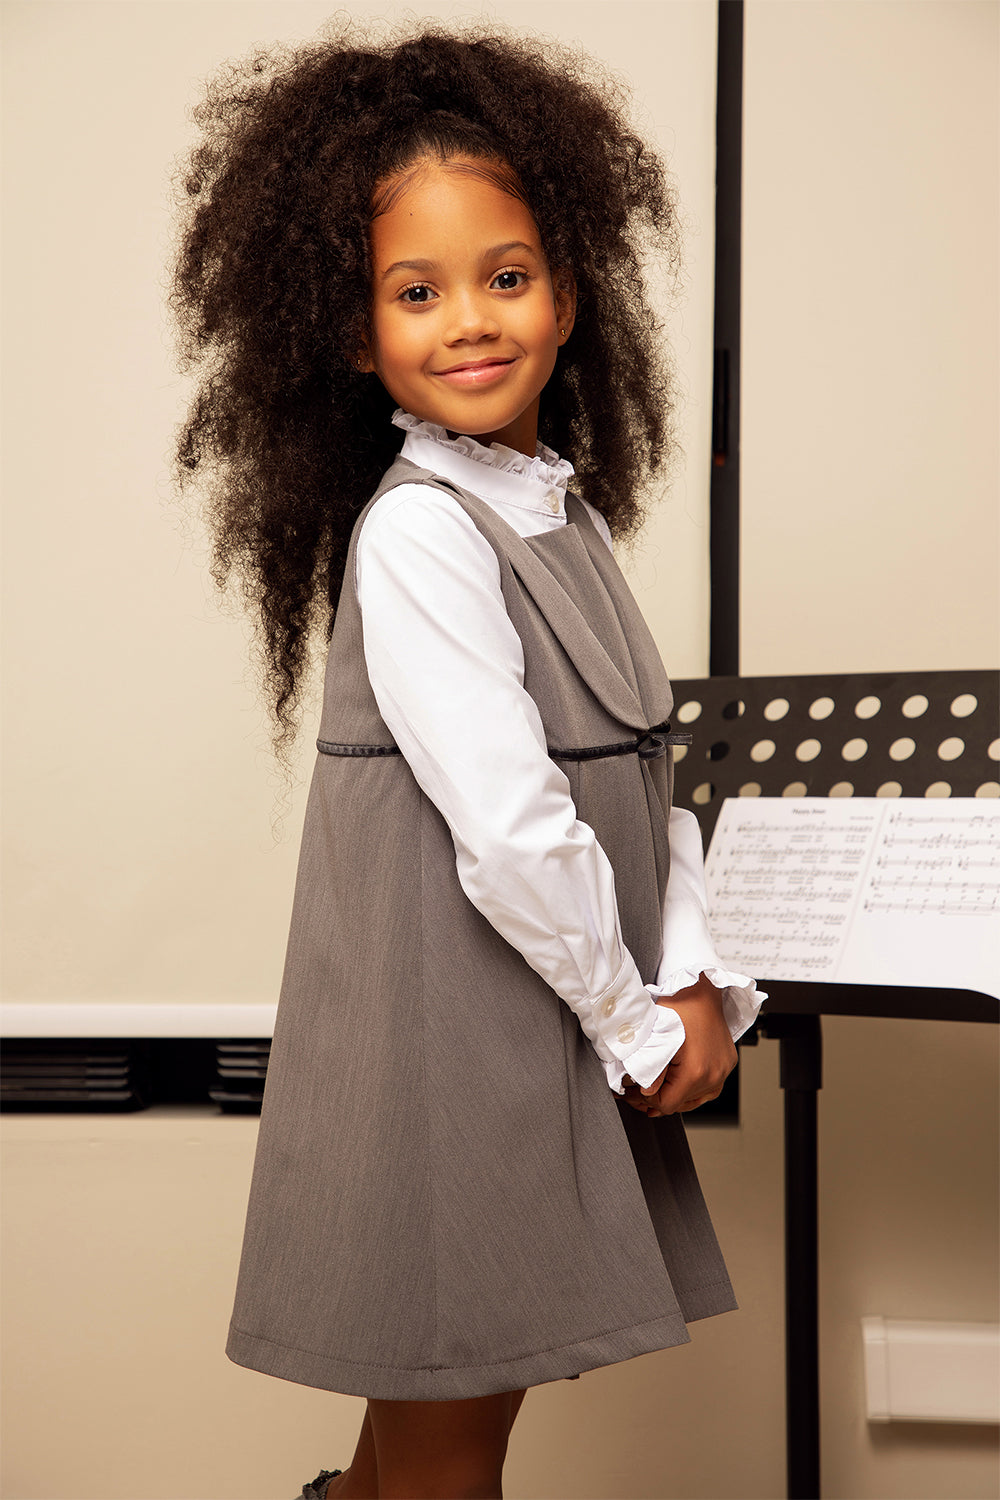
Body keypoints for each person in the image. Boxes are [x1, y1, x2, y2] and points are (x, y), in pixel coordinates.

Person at [172, 21, 762, 1500]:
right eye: (414, 291)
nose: (470, 321)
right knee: (451, 1456)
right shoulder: (426, 530)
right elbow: (511, 830)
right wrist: (639, 1029)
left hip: (545, 1033)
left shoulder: (552, 510)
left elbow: (641, 775)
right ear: (354, 329)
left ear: (571, 292)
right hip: (464, 1067)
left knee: (429, 1441)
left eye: (505, 275)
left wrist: (695, 974)